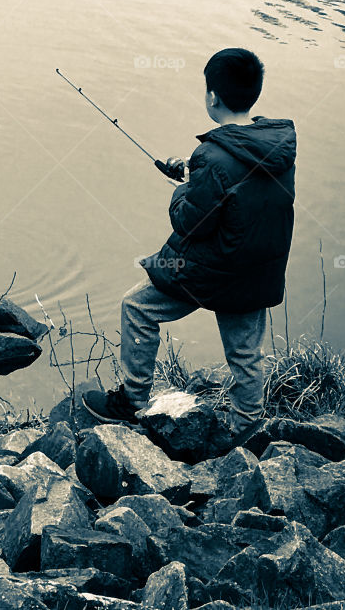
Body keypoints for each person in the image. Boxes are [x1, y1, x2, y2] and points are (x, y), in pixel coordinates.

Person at [82, 48, 296, 433]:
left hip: (213, 271)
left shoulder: (212, 156)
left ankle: (131, 399)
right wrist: (194, 177)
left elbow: (189, 224)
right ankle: (247, 425)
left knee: (137, 307)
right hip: (257, 272)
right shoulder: (278, 147)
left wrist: (181, 189)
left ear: (212, 97)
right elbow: (237, 200)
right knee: (246, 351)